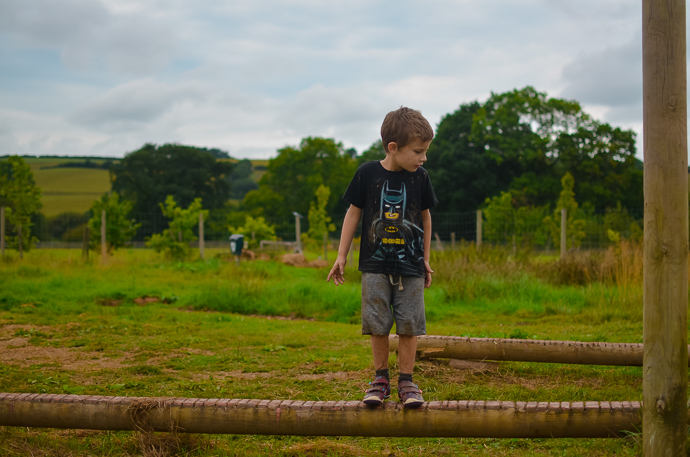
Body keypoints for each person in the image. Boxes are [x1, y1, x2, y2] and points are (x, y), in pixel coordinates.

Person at [327, 107, 437, 408]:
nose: (423, 158)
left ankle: (407, 382)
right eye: (418, 151)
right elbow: (353, 214)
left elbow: (426, 219)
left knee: (409, 324)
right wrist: (341, 255)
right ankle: (380, 379)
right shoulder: (367, 174)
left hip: (411, 266)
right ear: (393, 148)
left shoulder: (421, 177)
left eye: (425, 151)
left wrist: (425, 258)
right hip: (374, 264)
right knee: (377, 322)